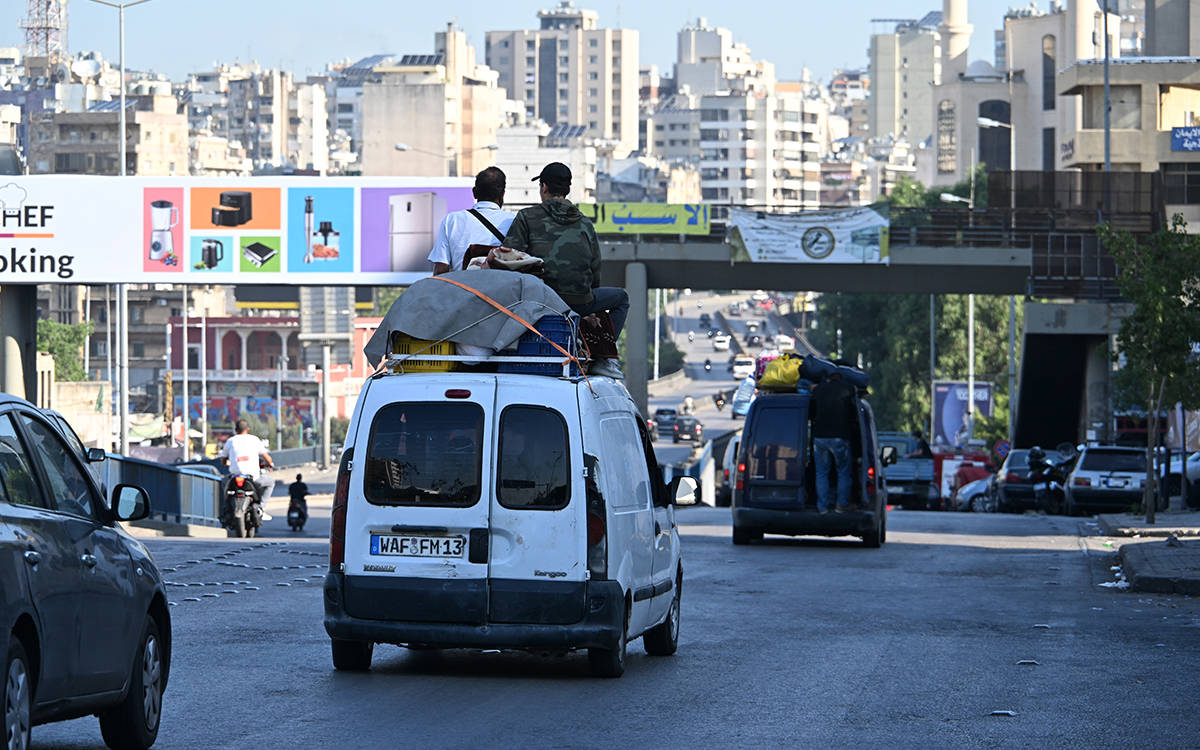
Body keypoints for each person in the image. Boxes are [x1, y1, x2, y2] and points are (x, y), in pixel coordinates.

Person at [503, 162, 629, 380]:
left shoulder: (526, 217)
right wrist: (589, 308)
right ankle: (601, 360)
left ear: (543, 187)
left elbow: (509, 258)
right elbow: (595, 271)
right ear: (568, 190)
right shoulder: (585, 223)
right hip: (580, 301)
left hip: (541, 300)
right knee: (621, 298)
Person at [428, 166, 514, 275]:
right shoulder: (513, 221)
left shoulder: (452, 220)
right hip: (501, 289)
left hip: (462, 289)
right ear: (503, 194)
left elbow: (441, 268)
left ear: (474, 192)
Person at [810, 371, 857, 513]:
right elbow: (853, 411)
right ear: (841, 378)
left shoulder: (820, 389)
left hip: (819, 438)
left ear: (829, 379)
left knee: (821, 473)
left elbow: (811, 410)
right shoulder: (847, 388)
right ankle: (841, 505)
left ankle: (822, 507)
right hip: (839, 437)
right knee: (843, 472)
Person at [219, 419, 276, 508]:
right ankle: (261, 507)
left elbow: (223, 460)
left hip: (234, 477)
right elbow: (267, 458)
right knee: (271, 482)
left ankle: (225, 507)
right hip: (253, 478)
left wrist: (228, 463)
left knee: (222, 483)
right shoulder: (254, 439)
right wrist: (270, 464)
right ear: (248, 429)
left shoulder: (231, 441)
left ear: (236, 430)